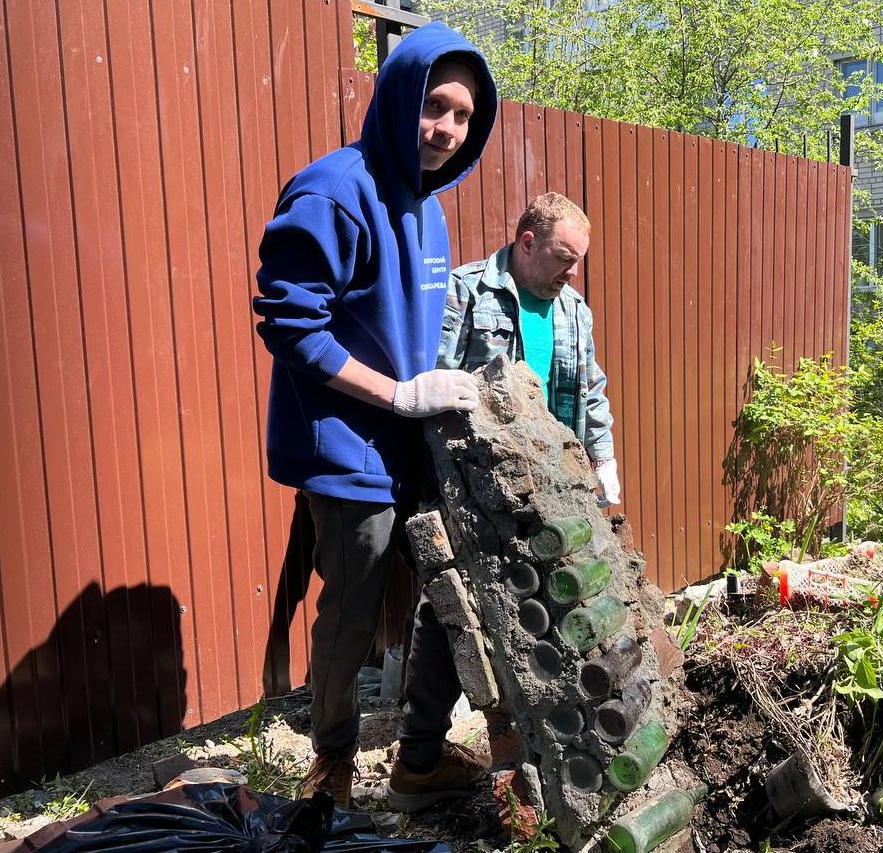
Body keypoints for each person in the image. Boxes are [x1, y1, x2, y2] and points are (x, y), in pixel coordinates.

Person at [252, 22, 498, 812]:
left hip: (409, 442)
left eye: (462, 117)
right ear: (399, 97)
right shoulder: (334, 190)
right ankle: (330, 763)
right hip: (347, 448)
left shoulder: (426, 208)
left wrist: (435, 388)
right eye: (434, 106)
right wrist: (394, 395)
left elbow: (405, 327)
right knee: (351, 612)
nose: (447, 130)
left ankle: (419, 757)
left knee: (451, 596)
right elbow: (290, 324)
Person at [438, 192, 620, 504]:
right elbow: (438, 382)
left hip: (556, 474)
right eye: (564, 258)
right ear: (528, 242)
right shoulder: (467, 290)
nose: (573, 272)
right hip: (480, 483)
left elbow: (590, 391)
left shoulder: (575, 310)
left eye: (577, 261)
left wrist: (604, 459)